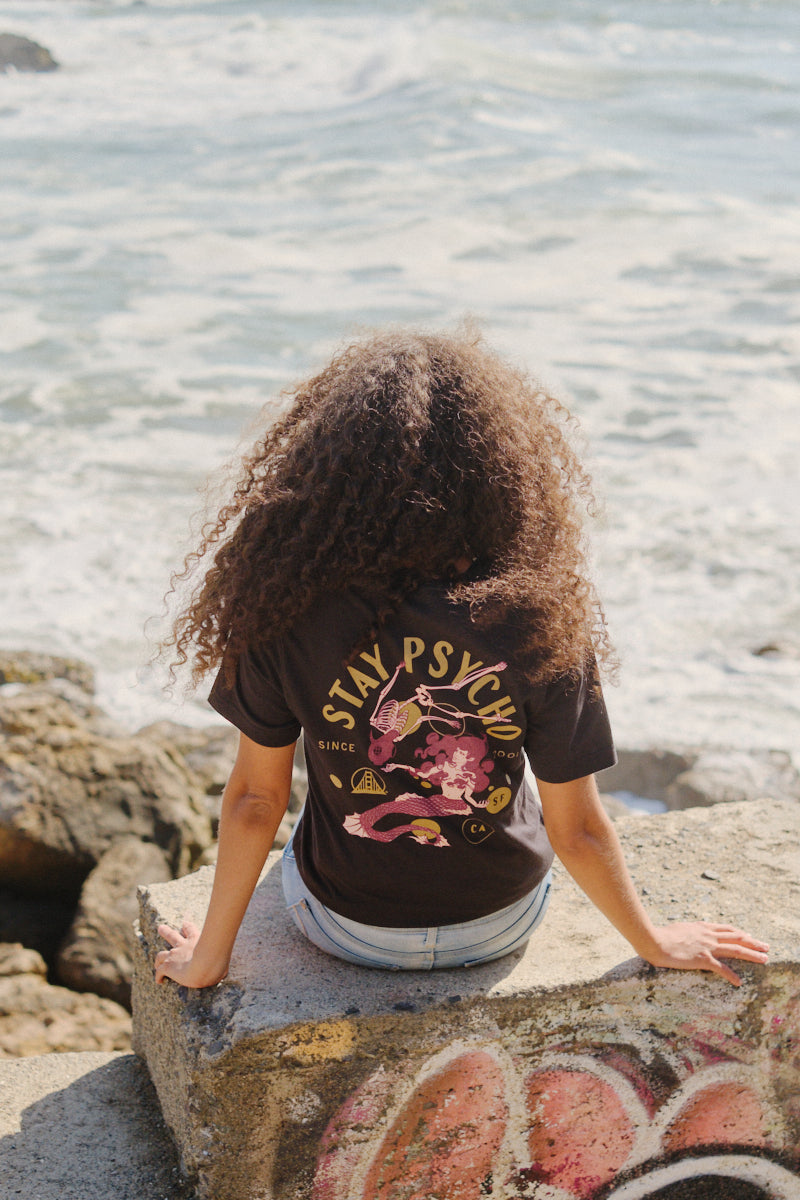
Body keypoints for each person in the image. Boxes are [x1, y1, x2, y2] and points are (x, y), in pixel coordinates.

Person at [154, 327, 767, 988]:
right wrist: (652, 939)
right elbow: (581, 830)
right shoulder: (537, 614)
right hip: (499, 921)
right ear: (501, 475)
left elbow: (254, 800)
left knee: (314, 816)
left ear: (328, 474)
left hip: (348, 929)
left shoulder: (285, 611)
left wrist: (208, 959)